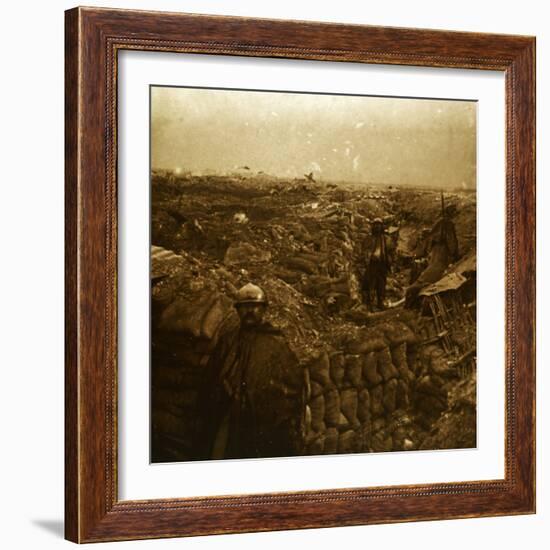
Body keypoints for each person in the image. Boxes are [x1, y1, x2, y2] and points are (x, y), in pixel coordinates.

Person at [198, 283, 306, 460]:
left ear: (263, 309)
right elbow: (213, 374)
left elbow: (291, 384)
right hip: (230, 414)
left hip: (263, 420)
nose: (249, 311)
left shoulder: (275, 343)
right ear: (238, 310)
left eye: (254, 307)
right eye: (244, 307)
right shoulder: (229, 339)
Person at [405, 203, 459, 307]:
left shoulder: (440, 223)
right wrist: (454, 254)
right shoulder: (447, 224)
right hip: (440, 253)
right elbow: (451, 241)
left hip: (435, 253)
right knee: (433, 272)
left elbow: (431, 239)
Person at [361, 218, 394, 310]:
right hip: (372, 264)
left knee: (381, 284)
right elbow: (364, 250)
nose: (377, 227)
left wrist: (390, 261)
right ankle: (369, 304)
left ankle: (380, 303)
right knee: (369, 282)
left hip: (382, 264)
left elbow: (390, 251)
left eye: (379, 225)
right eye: (375, 225)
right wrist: (369, 257)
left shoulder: (386, 239)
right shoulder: (369, 238)